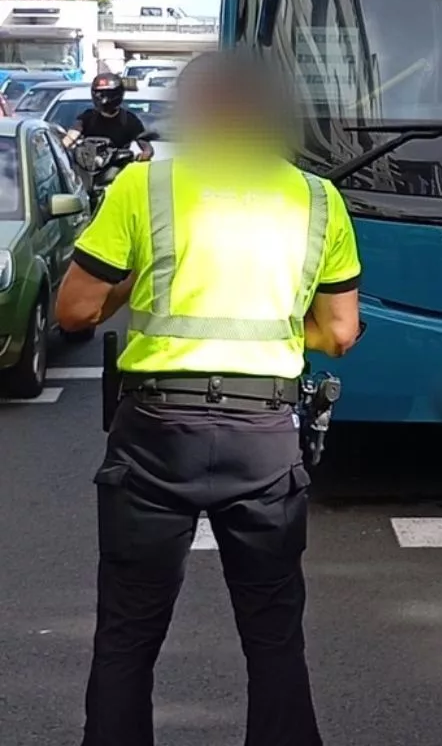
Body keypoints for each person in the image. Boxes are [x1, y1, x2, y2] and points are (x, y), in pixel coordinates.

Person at [54, 51, 362, 746]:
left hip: (156, 431)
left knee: (128, 631)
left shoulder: (144, 187)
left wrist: (138, 279)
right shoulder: (318, 199)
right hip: (264, 433)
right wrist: (280, 329)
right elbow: (341, 332)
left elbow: (75, 312)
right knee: (273, 633)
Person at [63, 73, 154, 161]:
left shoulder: (130, 120)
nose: (104, 99)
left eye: (109, 94)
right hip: (88, 165)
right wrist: (63, 148)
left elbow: (145, 146)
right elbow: (71, 137)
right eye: (100, 94)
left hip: (120, 166)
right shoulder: (87, 117)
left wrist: (144, 155)